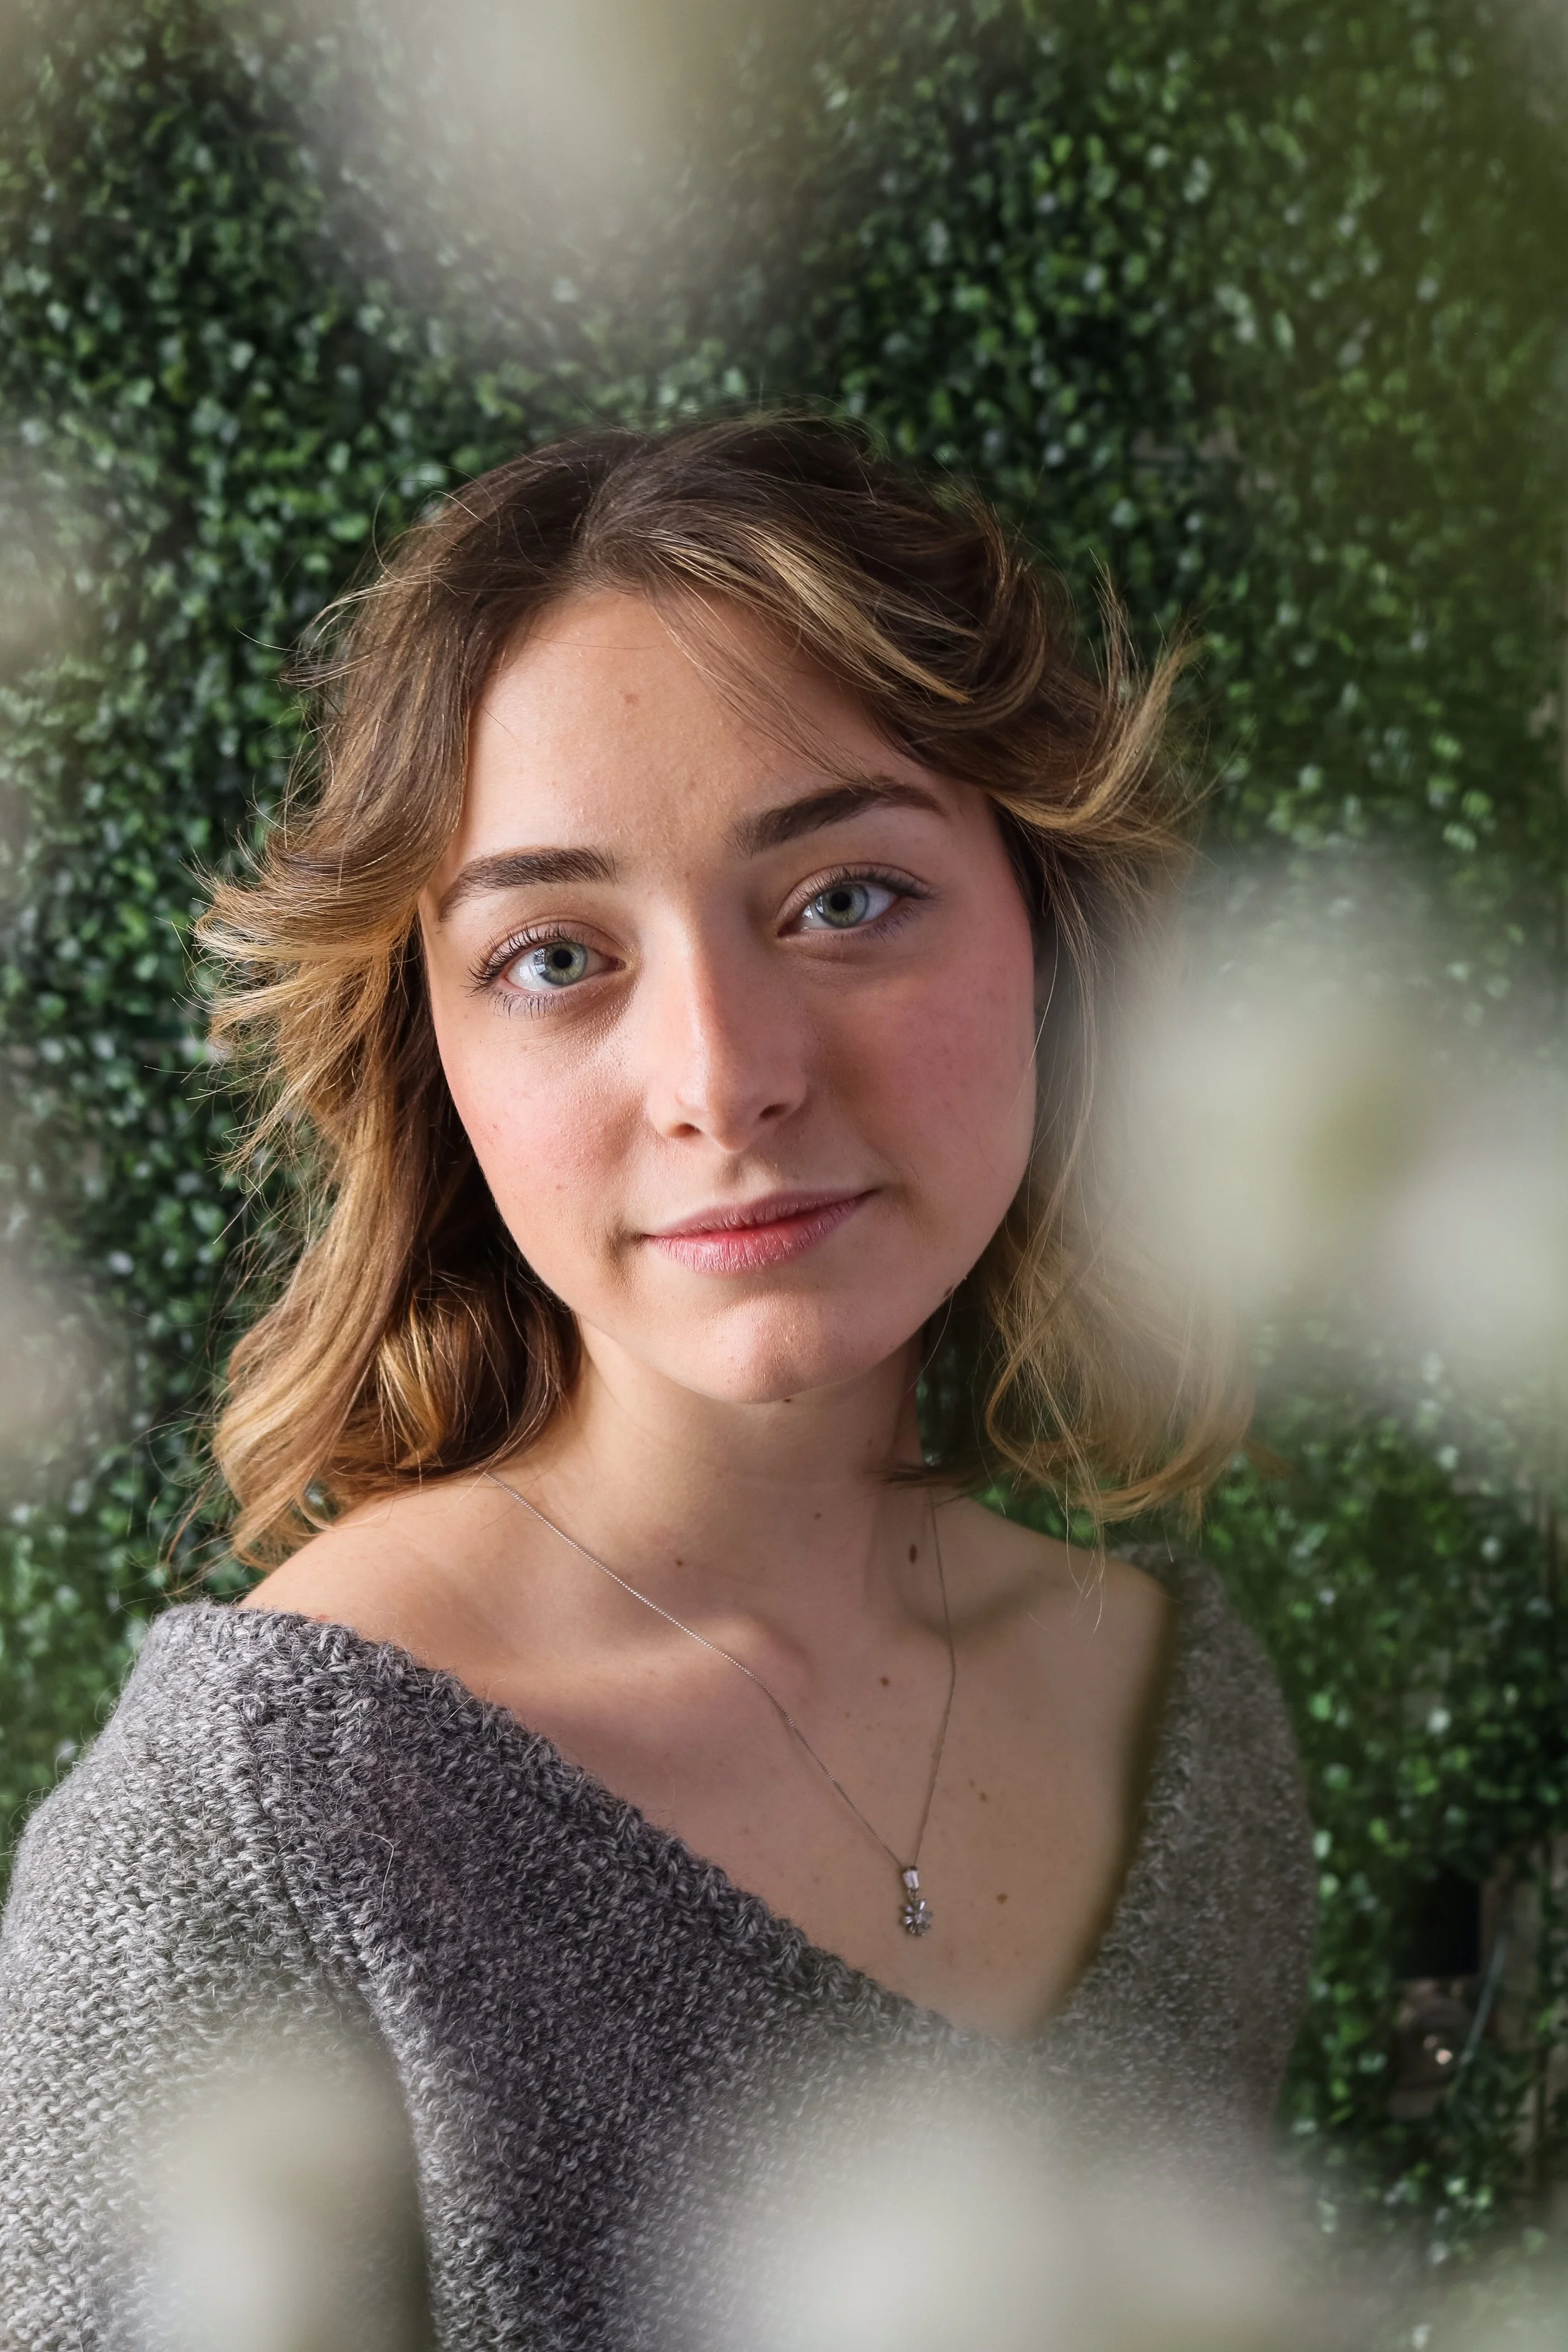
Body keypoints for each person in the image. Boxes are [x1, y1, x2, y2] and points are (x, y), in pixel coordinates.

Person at [0, 415, 1313, 2349]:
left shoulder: (1188, 1728)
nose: (723, 1071)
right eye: (554, 955)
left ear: (1043, 929)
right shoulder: (248, 1831)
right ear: (428, 1051)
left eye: (842, 897)